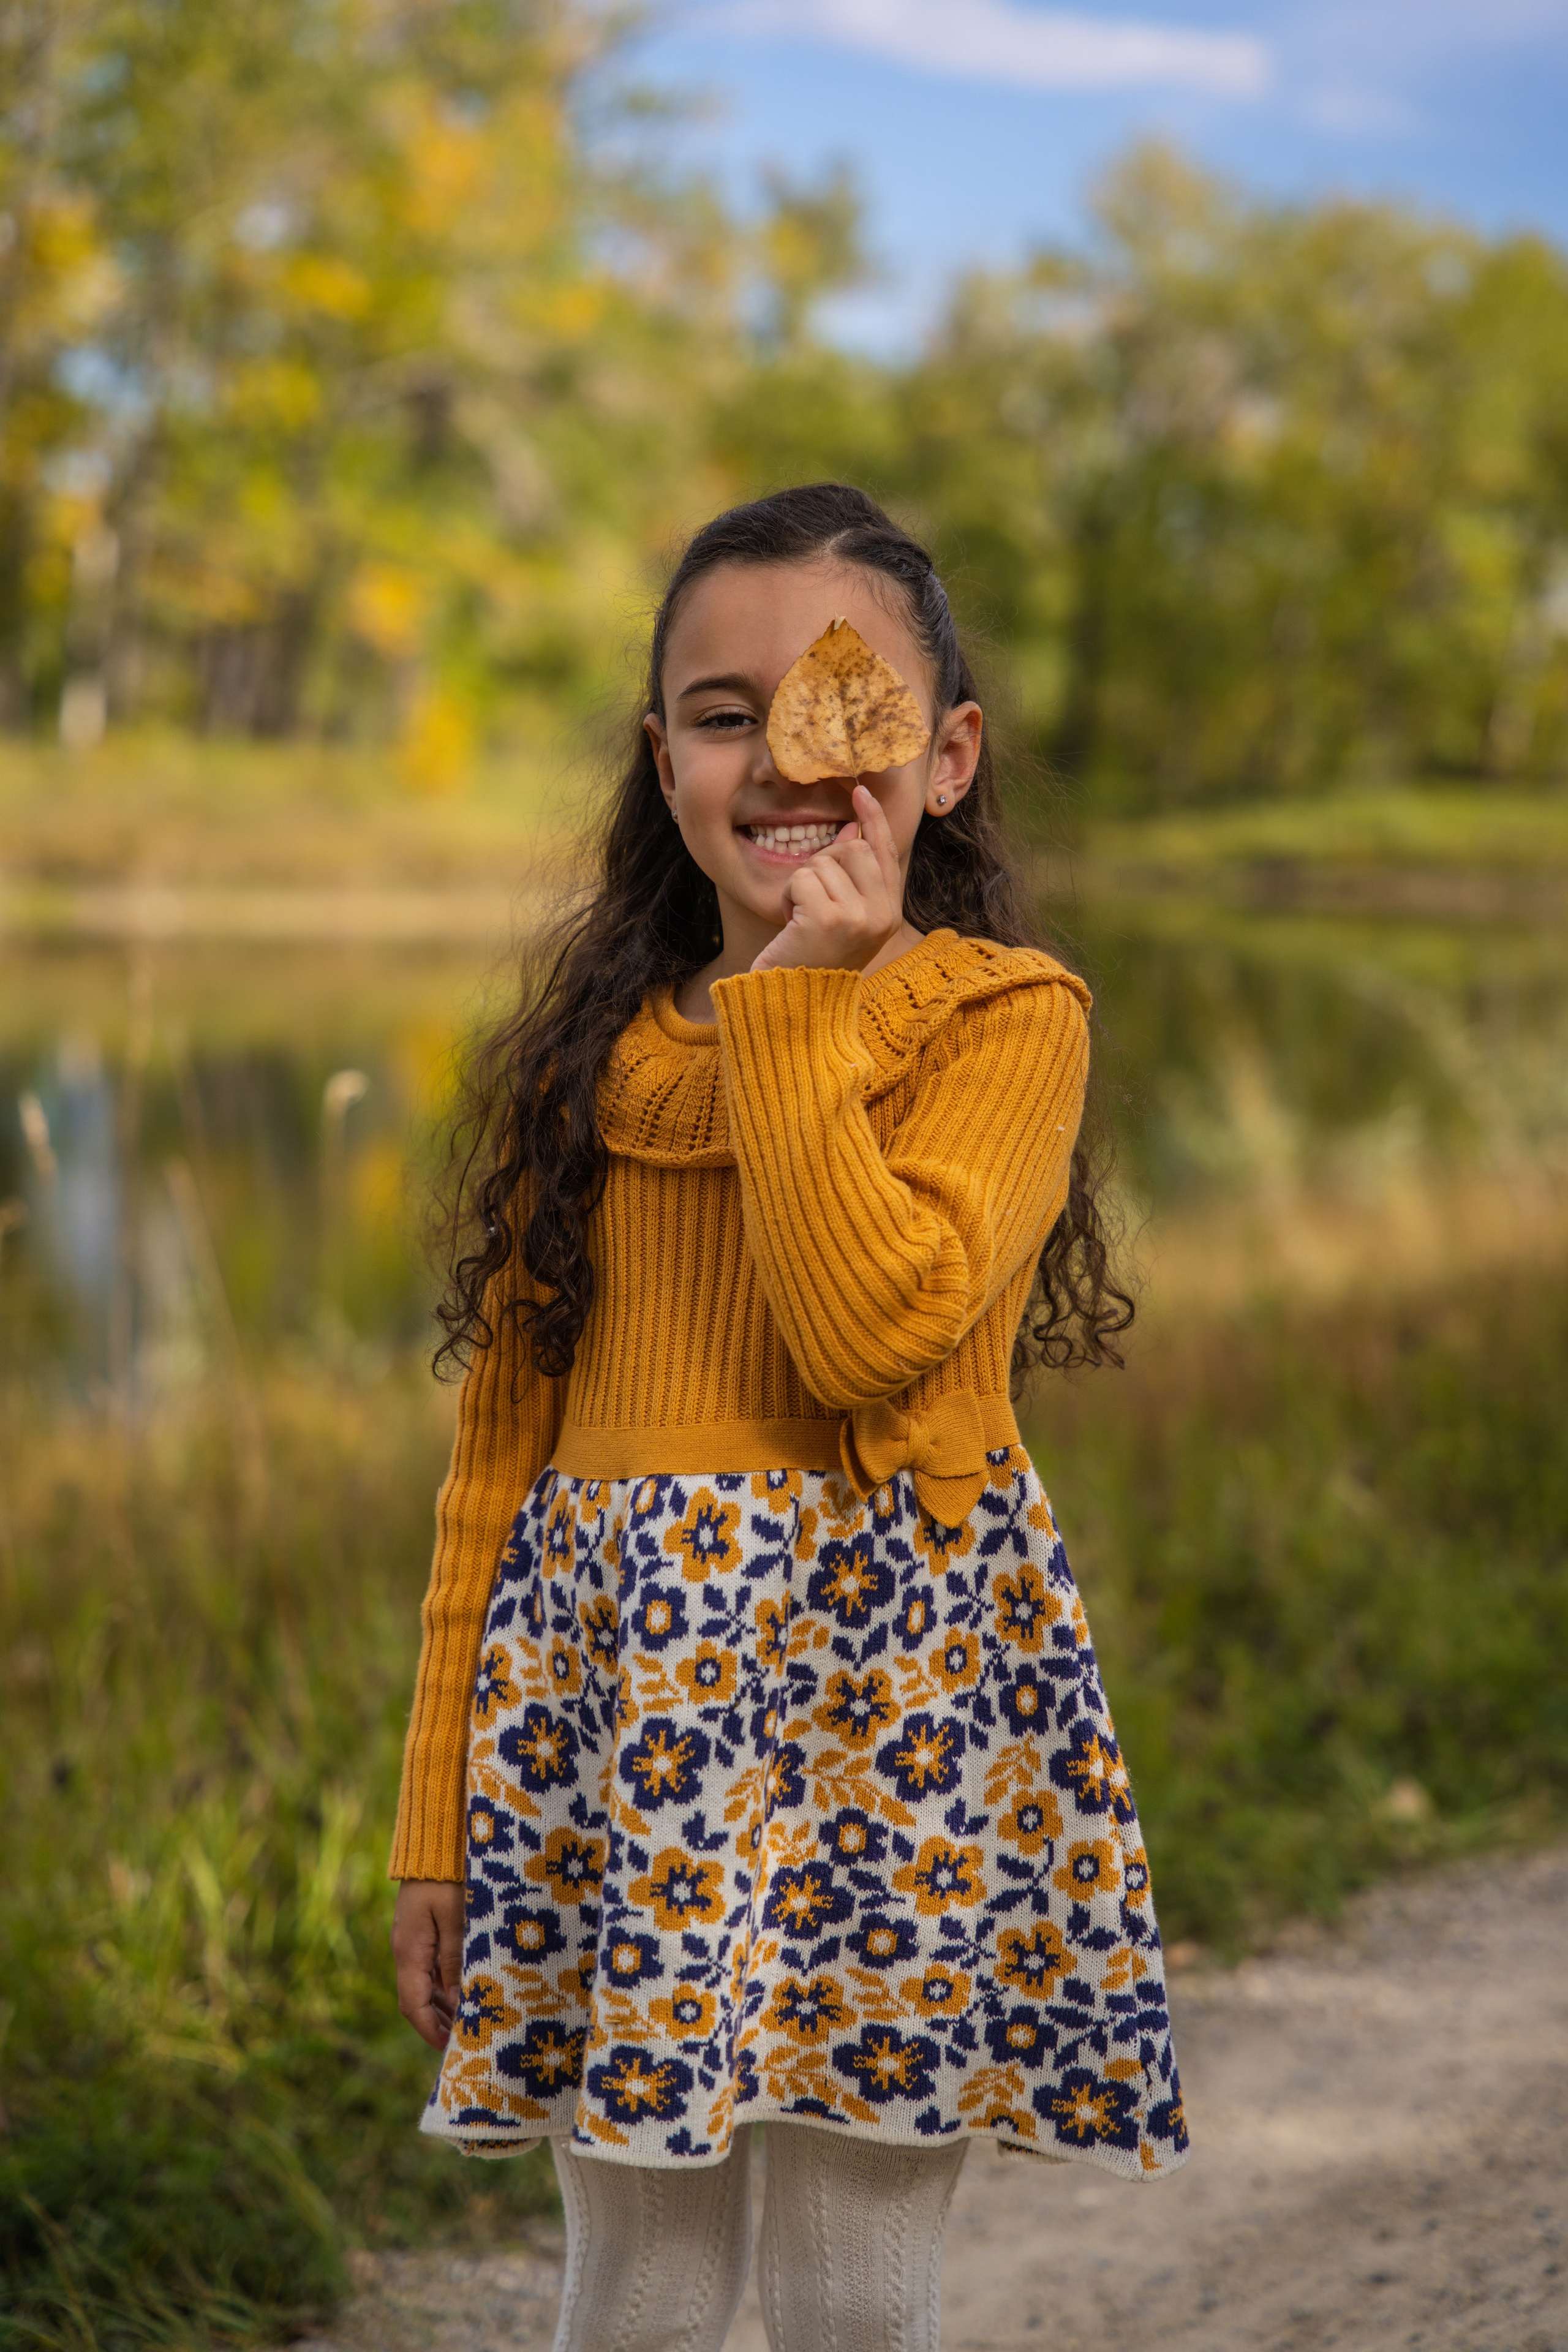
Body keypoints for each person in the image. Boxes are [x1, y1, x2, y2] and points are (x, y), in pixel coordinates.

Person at [390, 482, 1188, 2352]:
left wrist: (799, 1009)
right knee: (643, 2285)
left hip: (886, 1712)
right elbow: (492, 1465)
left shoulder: (1002, 1020)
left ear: (949, 756)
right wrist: (438, 1817)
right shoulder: (586, 1059)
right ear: (661, 756)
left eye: (836, 707)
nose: (781, 761)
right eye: (721, 711)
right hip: (619, 1715)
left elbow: (866, 1336)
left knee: (847, 2292)